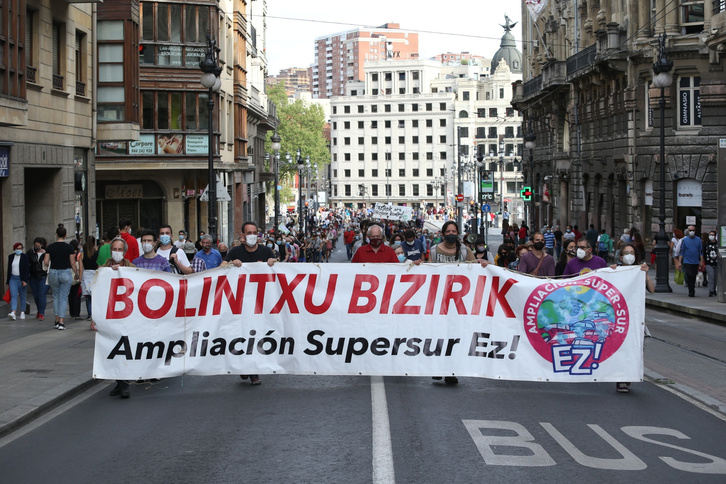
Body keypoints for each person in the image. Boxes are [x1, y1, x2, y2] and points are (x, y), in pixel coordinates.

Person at [223, 221, 276, 385]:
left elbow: (279, 270)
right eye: (249, 233)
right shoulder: (235, 252)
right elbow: (221, 268)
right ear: (243, 236)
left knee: (256, 335)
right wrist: (232, 264)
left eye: (255, 232)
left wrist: (273, 264)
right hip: (240, 303)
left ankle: (253, 370)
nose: (253, 235)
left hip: (260, 303)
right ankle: (244, 368)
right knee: (241, 335)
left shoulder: (266, 251)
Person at [95, 237, 136, 399]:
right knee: (113, 350)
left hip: (127, 316)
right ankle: (120, 383)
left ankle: (124, 384)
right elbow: (98, 293)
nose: (117, 253)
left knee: (124, 349)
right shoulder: (104, 268)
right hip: (110, 316)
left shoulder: (132, 267)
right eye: (115, 249)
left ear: (124, 252)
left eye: (120, 250)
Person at [611, 242, 655, 393]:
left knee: (636, 346)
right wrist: (610, 272)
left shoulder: (639, 271)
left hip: (636, 317)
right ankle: (621, 378)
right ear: (621, 257)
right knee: (621, 347)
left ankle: (627, 375)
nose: (629, 255)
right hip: (620, 317)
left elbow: (652, 290)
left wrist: (646, 274)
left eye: (632, 253)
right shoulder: (615, 270)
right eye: (626, 253)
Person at [44, 224, 77, 330]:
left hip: (53, 272)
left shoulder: (50, 247)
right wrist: (76, 273)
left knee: (56, 297)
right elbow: (72, 262)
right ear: (66, 235)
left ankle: (57, 320)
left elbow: (45, 261)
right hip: (65, 272)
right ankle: (62, 322)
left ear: (56, 234)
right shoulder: (69, 247)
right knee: (63, 297)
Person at [6, 242, 30, 321]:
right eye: (17, 249)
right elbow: (9, 269)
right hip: (13, 278)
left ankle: (22, 311)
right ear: (14, 249)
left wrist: (25, 280)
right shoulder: (11, 257)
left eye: (20, 249)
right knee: (14, 295)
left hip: (22, 279)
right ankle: (13, 312)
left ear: (22, 249)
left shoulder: (25, 257)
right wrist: (7, 281)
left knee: (22, 296)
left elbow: (27, 270)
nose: (18, 250)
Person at [679, 225, 704, 297]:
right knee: (689, 274)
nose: (692, 232)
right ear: (688, 231)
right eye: (690, 230)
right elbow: (682, 252)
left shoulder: (698, 240)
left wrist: (701, 261)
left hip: (695, 261)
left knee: (693, 275)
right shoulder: (685, 240)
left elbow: (701, 251)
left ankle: (692, 288)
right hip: (687, 261)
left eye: (693, 230)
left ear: (695, 231)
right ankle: (691, 290)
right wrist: (680, 262)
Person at [27, 237, 48, 320]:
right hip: (33, 276)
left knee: (41, 294)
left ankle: (41, 313)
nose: (37, 247)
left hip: (43, 275)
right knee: (36, 295)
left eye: (39, 245)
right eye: (36, 245)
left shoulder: (47, 252)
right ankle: (39, 310)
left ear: (42, 245)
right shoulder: (30, 252)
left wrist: (45, 253)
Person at [81, 236, 98, 321]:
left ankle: (89, 314)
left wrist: (79, 277)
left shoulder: (83, 254)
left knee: (87, 297)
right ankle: (94, 313)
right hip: (94, 274)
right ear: (94, 242)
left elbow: (81, 267)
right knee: (94, 296)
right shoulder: (97, 253)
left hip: (86, 274)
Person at [67, 239, 84, 321]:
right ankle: (77, 313)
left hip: (68, 274)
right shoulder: (79, 254)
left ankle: (72, 312)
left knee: (70, 295)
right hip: (76, 274)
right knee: (77, 295)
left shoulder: (68, 253)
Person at [704, 231, 719, 297]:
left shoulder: (718, 244)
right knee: (711, 276)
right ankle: (711, 290)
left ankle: (714, 289)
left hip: (716, 263)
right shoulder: (706, 244)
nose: (711, 236)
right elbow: (703, 253)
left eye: (712, 235)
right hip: (708, 263)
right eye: (710, 235)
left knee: (715, 277)